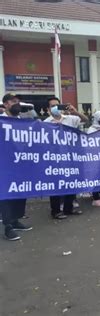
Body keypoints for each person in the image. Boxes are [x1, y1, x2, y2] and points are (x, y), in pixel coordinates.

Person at [44, 97, 88, 219]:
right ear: (48, 109)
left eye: (57, 105)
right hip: (54, 159)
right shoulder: (46, 123)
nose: (55, 107)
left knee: (71, 183)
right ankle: (56, 211)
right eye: (52, 105)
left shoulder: (70, 119)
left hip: (70, 157)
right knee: (56, 185)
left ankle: (69, 208)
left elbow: (86, 120)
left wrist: (75, 112)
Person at [0, 94, 32, 240]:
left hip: (21, 163)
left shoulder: (23, 122)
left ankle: (15, 219)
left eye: (18, 102)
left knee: (20, 192)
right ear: (5, 104)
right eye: (13, 102)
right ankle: (8, 226)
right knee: (6, 194)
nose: (17, 104)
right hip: (5, 165)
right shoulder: (1, 120)